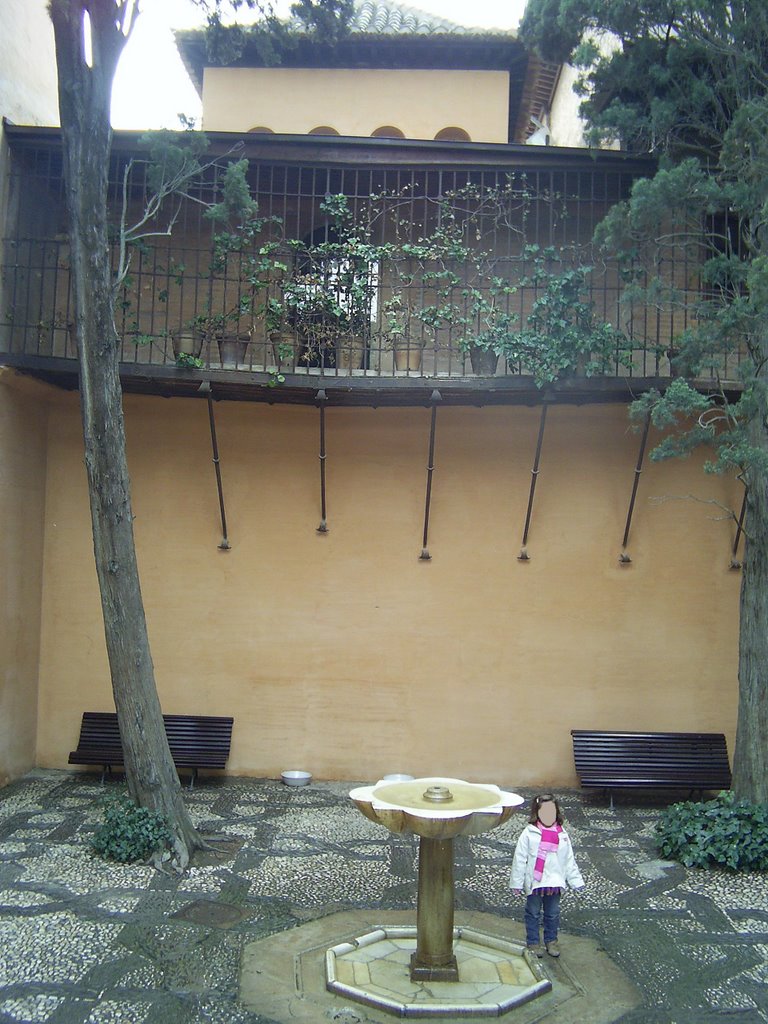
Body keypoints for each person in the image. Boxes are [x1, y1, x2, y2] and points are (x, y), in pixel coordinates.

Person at [509, 793, 584, 958]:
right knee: (533, 913)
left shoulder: (562, 835)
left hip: (554, 883)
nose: (549, 816)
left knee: (552, 913)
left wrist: (575, 881)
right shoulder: (529, 834)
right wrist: (517, 882)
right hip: (535, 883)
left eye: (552, 812)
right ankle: (533, 942)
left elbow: (568, 860)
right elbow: (520, 859)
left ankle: (551, 940)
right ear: (537, 813)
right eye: (545, 812)